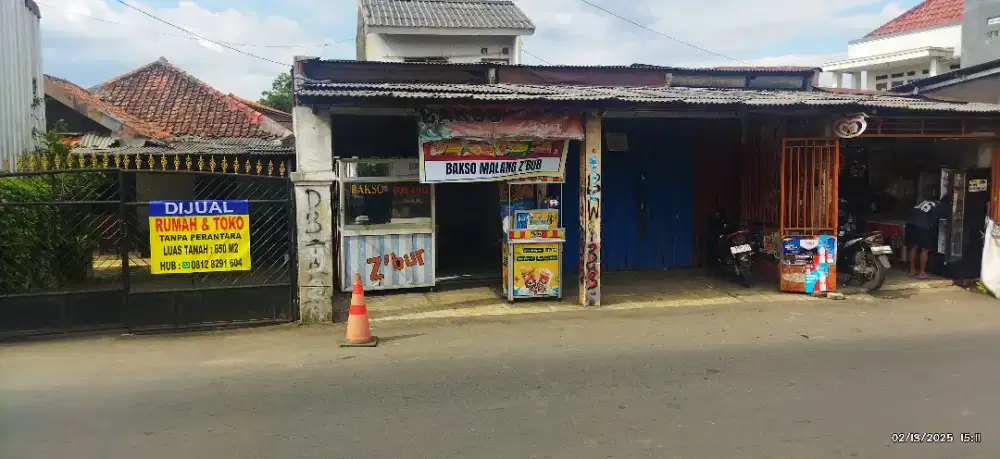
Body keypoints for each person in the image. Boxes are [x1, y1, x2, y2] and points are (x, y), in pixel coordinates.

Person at [906, 186, 945, 279]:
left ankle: (912, 270)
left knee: (914, 247)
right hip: (924, 227)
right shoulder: (939, 205)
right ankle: (922, 272)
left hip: (912, 225)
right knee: (925, 249)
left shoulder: (922, 202)